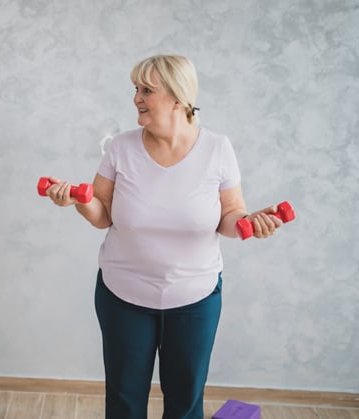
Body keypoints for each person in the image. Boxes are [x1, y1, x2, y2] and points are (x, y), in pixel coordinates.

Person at [44, 54, 283, 419]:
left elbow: (230, 216)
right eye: (135, 89)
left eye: (146, 90)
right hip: (123, 295)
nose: (136, 98)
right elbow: (102, 215)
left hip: (195, 298)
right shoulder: (120, 148)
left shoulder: (217, 148)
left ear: (178, 98)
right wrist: (77, 201)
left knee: (186, 401)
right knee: (124, 399)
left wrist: (252, 222)